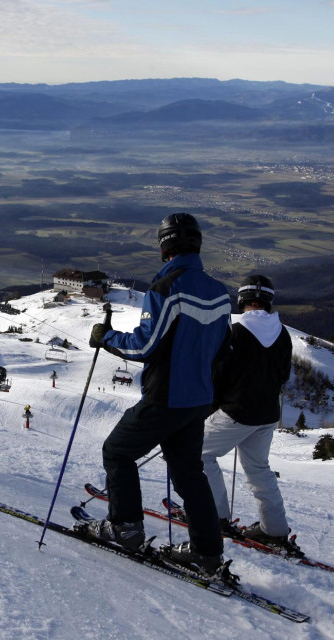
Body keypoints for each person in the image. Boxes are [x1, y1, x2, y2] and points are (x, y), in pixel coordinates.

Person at [82, 213, 232, 576]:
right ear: (197, 244)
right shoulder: (219, 291)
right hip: (198, 399)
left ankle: (126, 528)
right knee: (188, 474)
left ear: (164, 246)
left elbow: (144, 346)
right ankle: (206, 554)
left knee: (117, 452)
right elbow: (223, 348)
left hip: (166, 396)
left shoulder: (167, 288)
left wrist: (106, 338)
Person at [201, 275, 297, 551]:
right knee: (258, 469)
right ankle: (275, 530)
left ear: (242, 299)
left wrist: (209, 407)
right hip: (267, 414)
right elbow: (283, 376)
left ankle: (215, 517)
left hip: (236, 412)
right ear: (268, 301)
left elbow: (218, 374)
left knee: (200, 454)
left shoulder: (233, 329)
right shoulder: (283, 333)